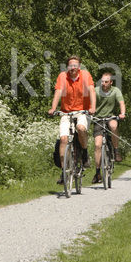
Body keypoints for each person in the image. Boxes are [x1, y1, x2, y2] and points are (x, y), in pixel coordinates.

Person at [48, 55, 96, 184]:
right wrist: (53, 108)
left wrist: (93, 107)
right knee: (63, 139)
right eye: (70, 65)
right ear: (67, 67)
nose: (72, 68)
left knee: (81, 128)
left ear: (79, 67)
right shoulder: (62, 76)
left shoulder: (85, 75)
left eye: (75, 65)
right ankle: (64, 173)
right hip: (66, 112)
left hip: (82, 111)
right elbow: (58, 92)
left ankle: (85, 152)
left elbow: (92, 91)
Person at [91, 72, 126, 183]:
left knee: (114, 125)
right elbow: (90, 102)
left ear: (111, 82)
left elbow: (121, 103)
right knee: (97, 145)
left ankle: (116, 151)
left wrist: (122, 113)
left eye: (106, 82)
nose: (104, 83)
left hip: (110, 117)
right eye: (102, 81)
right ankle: (97, 173)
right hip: (98, 119)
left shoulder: (115, 91)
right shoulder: (96, 91)